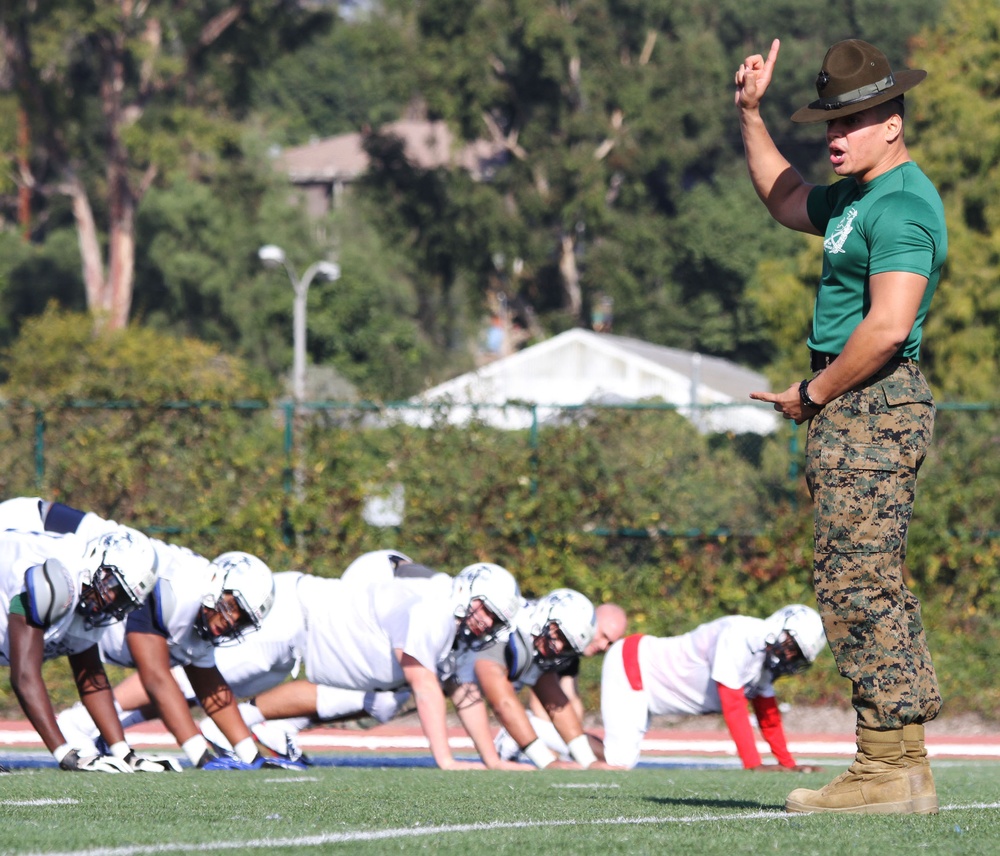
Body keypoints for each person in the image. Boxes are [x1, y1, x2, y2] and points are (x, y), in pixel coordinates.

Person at [736, 38, 946, 814]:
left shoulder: (903, 204)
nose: (835, 135)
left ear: (892, 121)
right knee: (861, 580)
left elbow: (889, 326)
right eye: (830, 120)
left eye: (852, 121)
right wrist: (752, 116)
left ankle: (885, 769)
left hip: (871, 401)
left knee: (858, 582)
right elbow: (785, 197)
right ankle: (903, 768)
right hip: (852, 404)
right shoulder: (855, 196)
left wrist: (813, 393)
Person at [203, 561, 524, 771]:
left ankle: (231, 727)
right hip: (293, 615)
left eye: (494, 619)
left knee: (209, 688)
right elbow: (425, 687)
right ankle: (202, 733)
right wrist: (446, 760)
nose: (485, 622)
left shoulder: (455, 625)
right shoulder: (436, 608)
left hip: (307, 637)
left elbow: (466, 692)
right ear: (469, 591)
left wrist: (492, 760)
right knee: (191, 683)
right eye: (486, 610)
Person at [57, 543, 279, 770]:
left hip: (87, 632)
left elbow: (210, 686)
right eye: (233, 607)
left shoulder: (206, 611)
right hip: (66, 599)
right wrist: (201, 756)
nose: (232, 621)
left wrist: (251, 756)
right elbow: (155, 677)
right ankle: (80, 725)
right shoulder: (176, 591)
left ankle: (91, 728)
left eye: (242, 619)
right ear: (216, 583)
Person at [0, 526, 174, 772]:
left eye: (122, 598)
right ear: (97, 560)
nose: (112, 600)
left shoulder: (89, 591)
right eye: (113, 586)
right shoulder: (55, 579)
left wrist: (124, 753)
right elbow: (24, 676)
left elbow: (91, 677)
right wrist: (65, 753)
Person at [599, 605, 826, 771]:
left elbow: (768, 716)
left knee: (619, 759)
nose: (789, 657)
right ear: (780, 626)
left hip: (650, 682)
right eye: (792, 647)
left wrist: (788, 764)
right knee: (619, 762)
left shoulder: (763, 656)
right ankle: (570, 744)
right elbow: (733, 705)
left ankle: (570, 742)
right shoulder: (739, 634)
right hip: (634, 665)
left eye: (797, 655)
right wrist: (753, 764)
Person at [449, 588, 605, 770]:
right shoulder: (512, 628)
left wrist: (588, 761)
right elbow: (502, 701)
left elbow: (555, 699)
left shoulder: (538, 635)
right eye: (560, 636)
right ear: (547, 617)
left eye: (567, 645)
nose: (559, 646)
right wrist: (546, 761)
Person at [493, 601, 627, 763]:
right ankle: (513, 736)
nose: (605, 646)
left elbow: (569, 698)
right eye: (604, 636)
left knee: (601, 752)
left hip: (544, 719)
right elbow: (540, 700)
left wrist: (575, 738)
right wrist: (554, 751)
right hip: (531, 716)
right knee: (611, 756)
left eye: (610, 643)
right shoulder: (553, 638)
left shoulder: (571, 651)